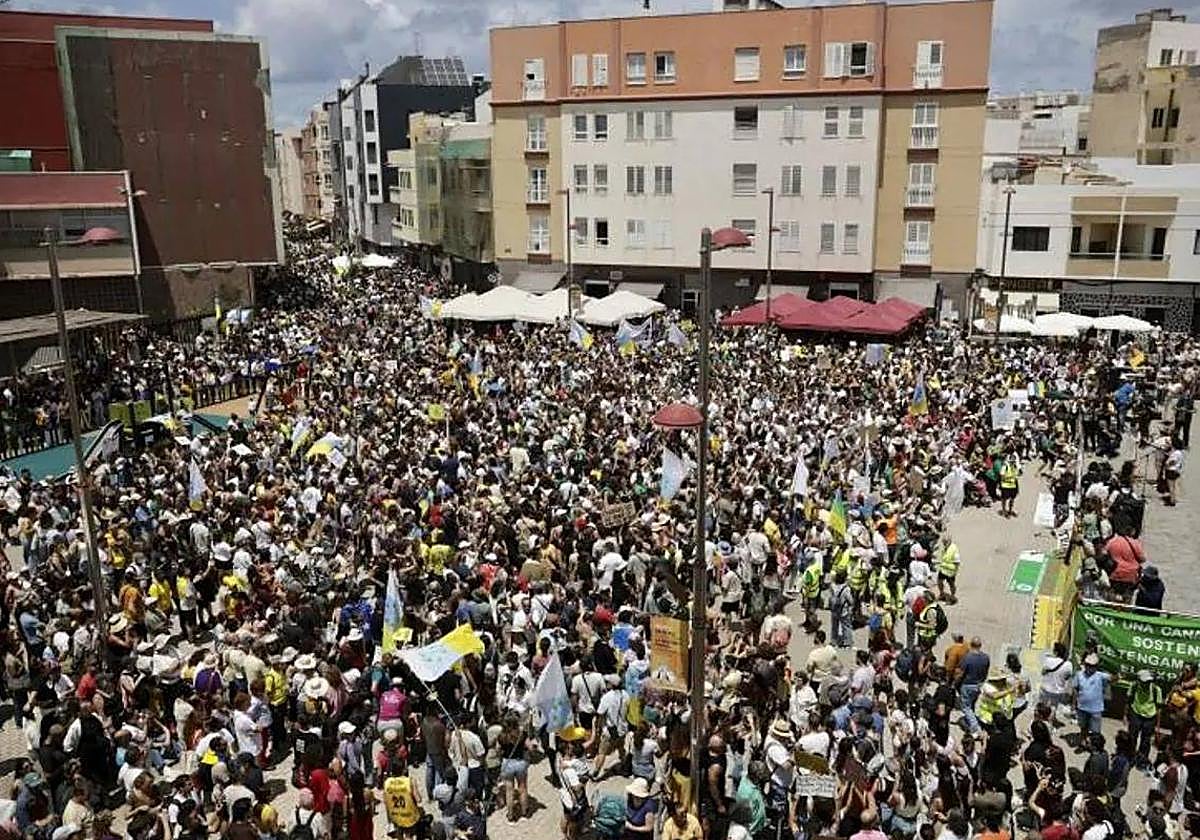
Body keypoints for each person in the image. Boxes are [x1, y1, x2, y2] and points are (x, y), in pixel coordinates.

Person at [1073, 653, 1110, 742]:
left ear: (1096, 666)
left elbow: (1111, 678)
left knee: (1095, 731)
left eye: (1092, 666)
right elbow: (1075, 690)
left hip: (1096, 709)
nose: (1090, 668)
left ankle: (1095, 745)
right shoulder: (1079, 675)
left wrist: (1118, 676)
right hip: (1082, 707)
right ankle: (1083, 742)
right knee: (1083, 727)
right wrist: (1073, 704)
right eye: (1088, 665)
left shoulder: (1100, 675)